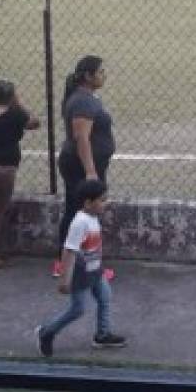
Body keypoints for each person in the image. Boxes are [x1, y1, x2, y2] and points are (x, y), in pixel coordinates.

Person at [36, 178, 126, 356]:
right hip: (81, 275)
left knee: (105, 297)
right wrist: (64, 278)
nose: (105, 204)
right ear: (88, 203)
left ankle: (102, 335)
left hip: (95, 271)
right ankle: (46, 332)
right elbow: (69, 251)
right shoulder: (80, 223)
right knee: (77, 309)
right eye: (102, 200)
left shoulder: (92, 218)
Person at [54, 57, 115, 280]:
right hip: (81, 166)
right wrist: (90, 171)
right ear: (88, 76)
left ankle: (67, 264)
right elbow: (81, 138)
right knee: (80, 213)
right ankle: (75, 267)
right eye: (100, 72)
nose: (104, 75)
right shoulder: (83, 102)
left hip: (82, 164)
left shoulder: (85, 98)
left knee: (76, 210)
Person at [0, 80, 40, 269]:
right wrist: (18, 104)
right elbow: (35, 123)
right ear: (12, 96)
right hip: (2, 172)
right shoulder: (15, 114)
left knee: (1, 208)